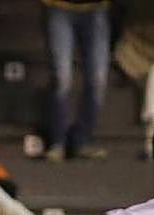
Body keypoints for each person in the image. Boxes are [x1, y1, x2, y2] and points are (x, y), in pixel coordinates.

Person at [40, 0, 111, 162]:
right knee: (62, 78)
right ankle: (58, 142)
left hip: (96, 9)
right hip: (59, 7)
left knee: (98, 79)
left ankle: (82, 139)